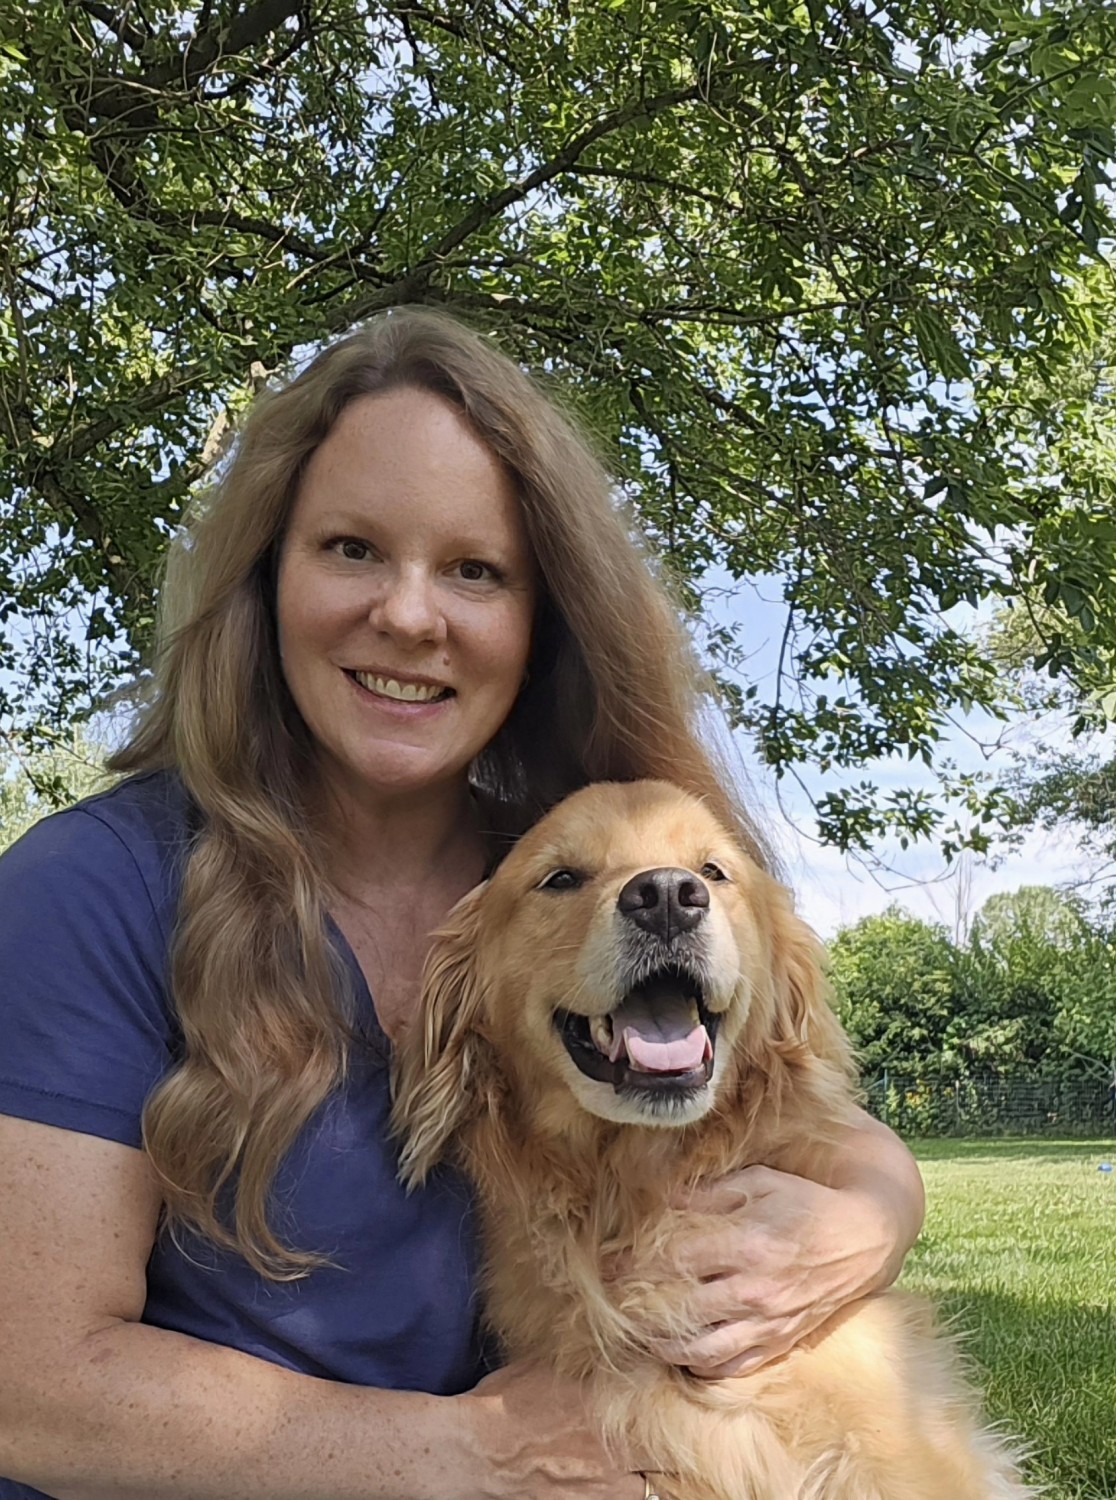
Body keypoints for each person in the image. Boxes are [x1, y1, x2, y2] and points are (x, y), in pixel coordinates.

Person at [0, 307, 925, 1500]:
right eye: (351, 549)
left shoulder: (568, 863)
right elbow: (29, 1387)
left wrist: (878, 1208)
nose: (408, 615)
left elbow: (781, 1092)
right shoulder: (88, 894)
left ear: (541, 621)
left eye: (475, 570)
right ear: (265, 579)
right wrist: (468, 1454)